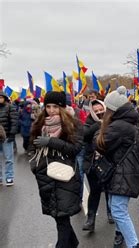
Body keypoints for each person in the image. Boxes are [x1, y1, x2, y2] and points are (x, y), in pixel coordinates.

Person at [29, 91, 83, 247]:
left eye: (55, 107)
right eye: (48, 106)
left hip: (64, 175)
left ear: (62, 108)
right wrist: (34, 166)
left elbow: (75, 149)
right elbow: (31, 147)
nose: (51, 110)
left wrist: (51, 142)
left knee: (62, 217)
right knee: (58, 216)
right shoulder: (39, 124)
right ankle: (73, 242)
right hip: (45, 176)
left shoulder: (74, 124)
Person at [96, 86, 139, 248]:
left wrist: (97, 129)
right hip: (126, 170)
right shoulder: (126, 122)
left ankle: (133, 244)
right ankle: (119, 233)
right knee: (116, 207)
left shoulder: (118, 126)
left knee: (118, 211)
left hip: (123, 172)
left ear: (112, 109)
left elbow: (101, 145)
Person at [82, 99, 113, 232]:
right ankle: (90, 219)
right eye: (96, 111)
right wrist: (98, 124)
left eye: (101, 109)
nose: (100, 112)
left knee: (108, 190)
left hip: (108, 162)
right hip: (92, 163)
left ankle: (110, 212)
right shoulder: (88, 122)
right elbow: (84, 135)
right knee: (94, 191)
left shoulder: (112, 120)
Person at [0, 91, 19, 186]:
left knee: (8, 159)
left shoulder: (10, 107)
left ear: (4, 98)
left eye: (0, 97)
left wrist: (12, 134)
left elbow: (15, 121)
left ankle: (9, 177)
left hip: (7, 137)